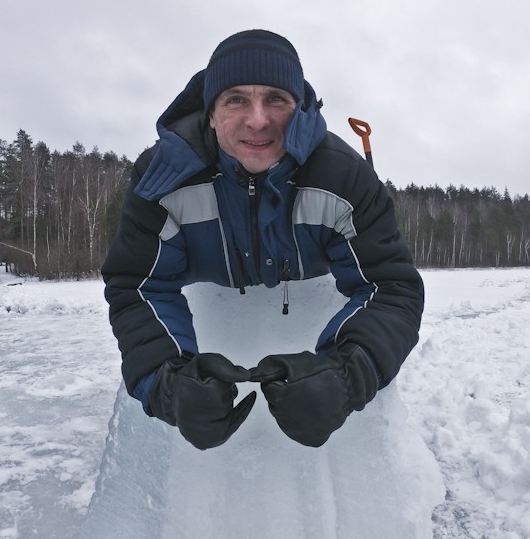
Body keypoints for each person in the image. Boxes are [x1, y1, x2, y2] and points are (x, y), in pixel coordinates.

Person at [102, 29, 424, 450]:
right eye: (235, 99)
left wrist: (346, 377)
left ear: (301, 108)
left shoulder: (344, 177)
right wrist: (165, 383)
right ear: (211, 112)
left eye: (276, 98)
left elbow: (391, 285)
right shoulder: (162, 178)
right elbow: (138, 284)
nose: (258, 119)